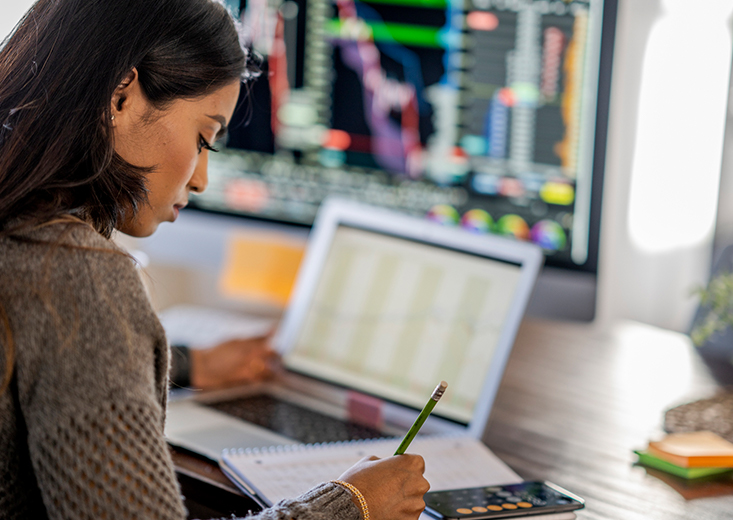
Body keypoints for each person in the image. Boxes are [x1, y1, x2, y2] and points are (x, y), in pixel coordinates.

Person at [0, 0, 430, 518]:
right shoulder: (80, 278)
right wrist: (352, 504)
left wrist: (189, 362)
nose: (201, 179)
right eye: (204, 137)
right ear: (121, 96)